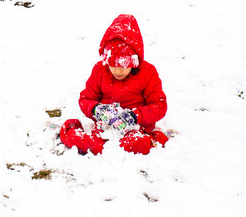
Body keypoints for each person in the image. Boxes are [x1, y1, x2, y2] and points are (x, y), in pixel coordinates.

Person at [60, 14, 168, 155]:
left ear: (134, 61)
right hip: (105, 127)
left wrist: (135, 116)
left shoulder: (148, 72)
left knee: (135, 145)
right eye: (112, 64)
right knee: (94, 147)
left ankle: (153, 140)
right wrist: (97, 109)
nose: (118, 70)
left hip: (135, 127)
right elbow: (85, 98)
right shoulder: (100, 70)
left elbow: (159, 105)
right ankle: (71, 129)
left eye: (124, 65)